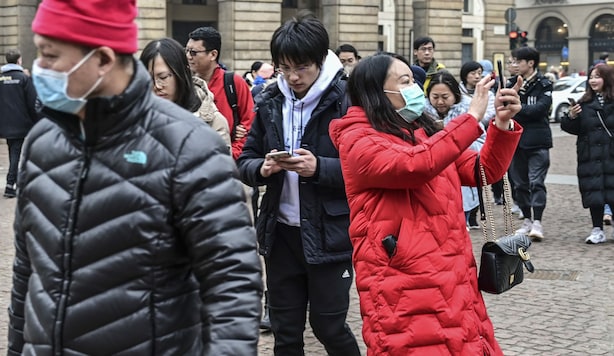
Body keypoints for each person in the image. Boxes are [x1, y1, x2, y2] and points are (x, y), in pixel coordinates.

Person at [7, 0, 262, 354]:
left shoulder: (190, 147)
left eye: (50, 55)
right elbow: (26, 273)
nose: (40, 68)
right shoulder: (42, 142)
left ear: (102, 60)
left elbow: (232, 282)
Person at [328, 53, 524, 355]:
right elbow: (414, 166)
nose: (415, 88)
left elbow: (483, 171)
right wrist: (471, 118)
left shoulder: (422, 131)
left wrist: (501, 123)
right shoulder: (357, 139)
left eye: (413, 80)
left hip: (453, 275)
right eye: (404, 82)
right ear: (376, 92)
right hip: (404, 284)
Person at [237, 12, 361, 356]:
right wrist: (261, 168)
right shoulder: (270, 101)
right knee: (285, 332)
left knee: (329, 327)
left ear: (320, 61)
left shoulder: (346, 101)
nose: (292, 77)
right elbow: (244, 159)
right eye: (284, 68)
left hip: (329, 232)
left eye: (301, 67)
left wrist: (318, 167)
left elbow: (365, 169)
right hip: (280, 234)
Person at [140, 37, 231, 148]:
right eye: (149, 78)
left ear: (182, 73)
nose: (157, 86)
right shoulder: (134, 119)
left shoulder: (213, 122)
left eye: (163, 77)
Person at [426, 69, 487, 230]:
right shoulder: (421, 114)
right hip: (432, 181)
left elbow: (481, 143)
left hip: (461, 179)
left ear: (455, 95)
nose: (440, 102)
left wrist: (451, 134)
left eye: (445, 97)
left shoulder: (469, 113)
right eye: (435, 97)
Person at [562, 63, 614, 244]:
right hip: (590, 156)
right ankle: (597, 229)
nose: (593, 80)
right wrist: (571, 116)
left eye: (597, 76)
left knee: (612, 191)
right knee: (595, 195)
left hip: (610, 155)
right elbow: (571, 128)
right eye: (591, 77)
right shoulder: (584, 103)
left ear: (607, 79)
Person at [186, 26, 255, 160]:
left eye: (193, 52)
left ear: (213, 54)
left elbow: (250, 124)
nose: (188, 56)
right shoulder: (185, 84)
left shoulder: (234, 82)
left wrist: (231, 155)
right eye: (187, 51)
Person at [507, 46, 553, 241]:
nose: (515, 65)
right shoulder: (510, 84)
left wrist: (518, 108)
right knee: (519, 184)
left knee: (536, 182)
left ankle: (538, 222)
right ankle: (527, 218)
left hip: (538, 141)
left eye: (518, 61)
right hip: (515, 140)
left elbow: (541, 109)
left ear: (531, 63)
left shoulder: (544, 84)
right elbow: (504, 107)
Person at [0, 49, 38, 198]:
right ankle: (11, 185)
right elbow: (32, 103)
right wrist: (36, 122)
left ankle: (15, 182)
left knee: (13, 152)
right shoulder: (23, 79)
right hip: (22, 123)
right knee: (17, 152)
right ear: (19, 61)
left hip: (5, 124)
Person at [459, 61, 496, 126]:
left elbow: (491, 114)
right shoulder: (458, 93)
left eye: (479, 73)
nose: (477, 76)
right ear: (465, 75)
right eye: (473, 73)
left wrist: (472, 119)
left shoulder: (488, 94)